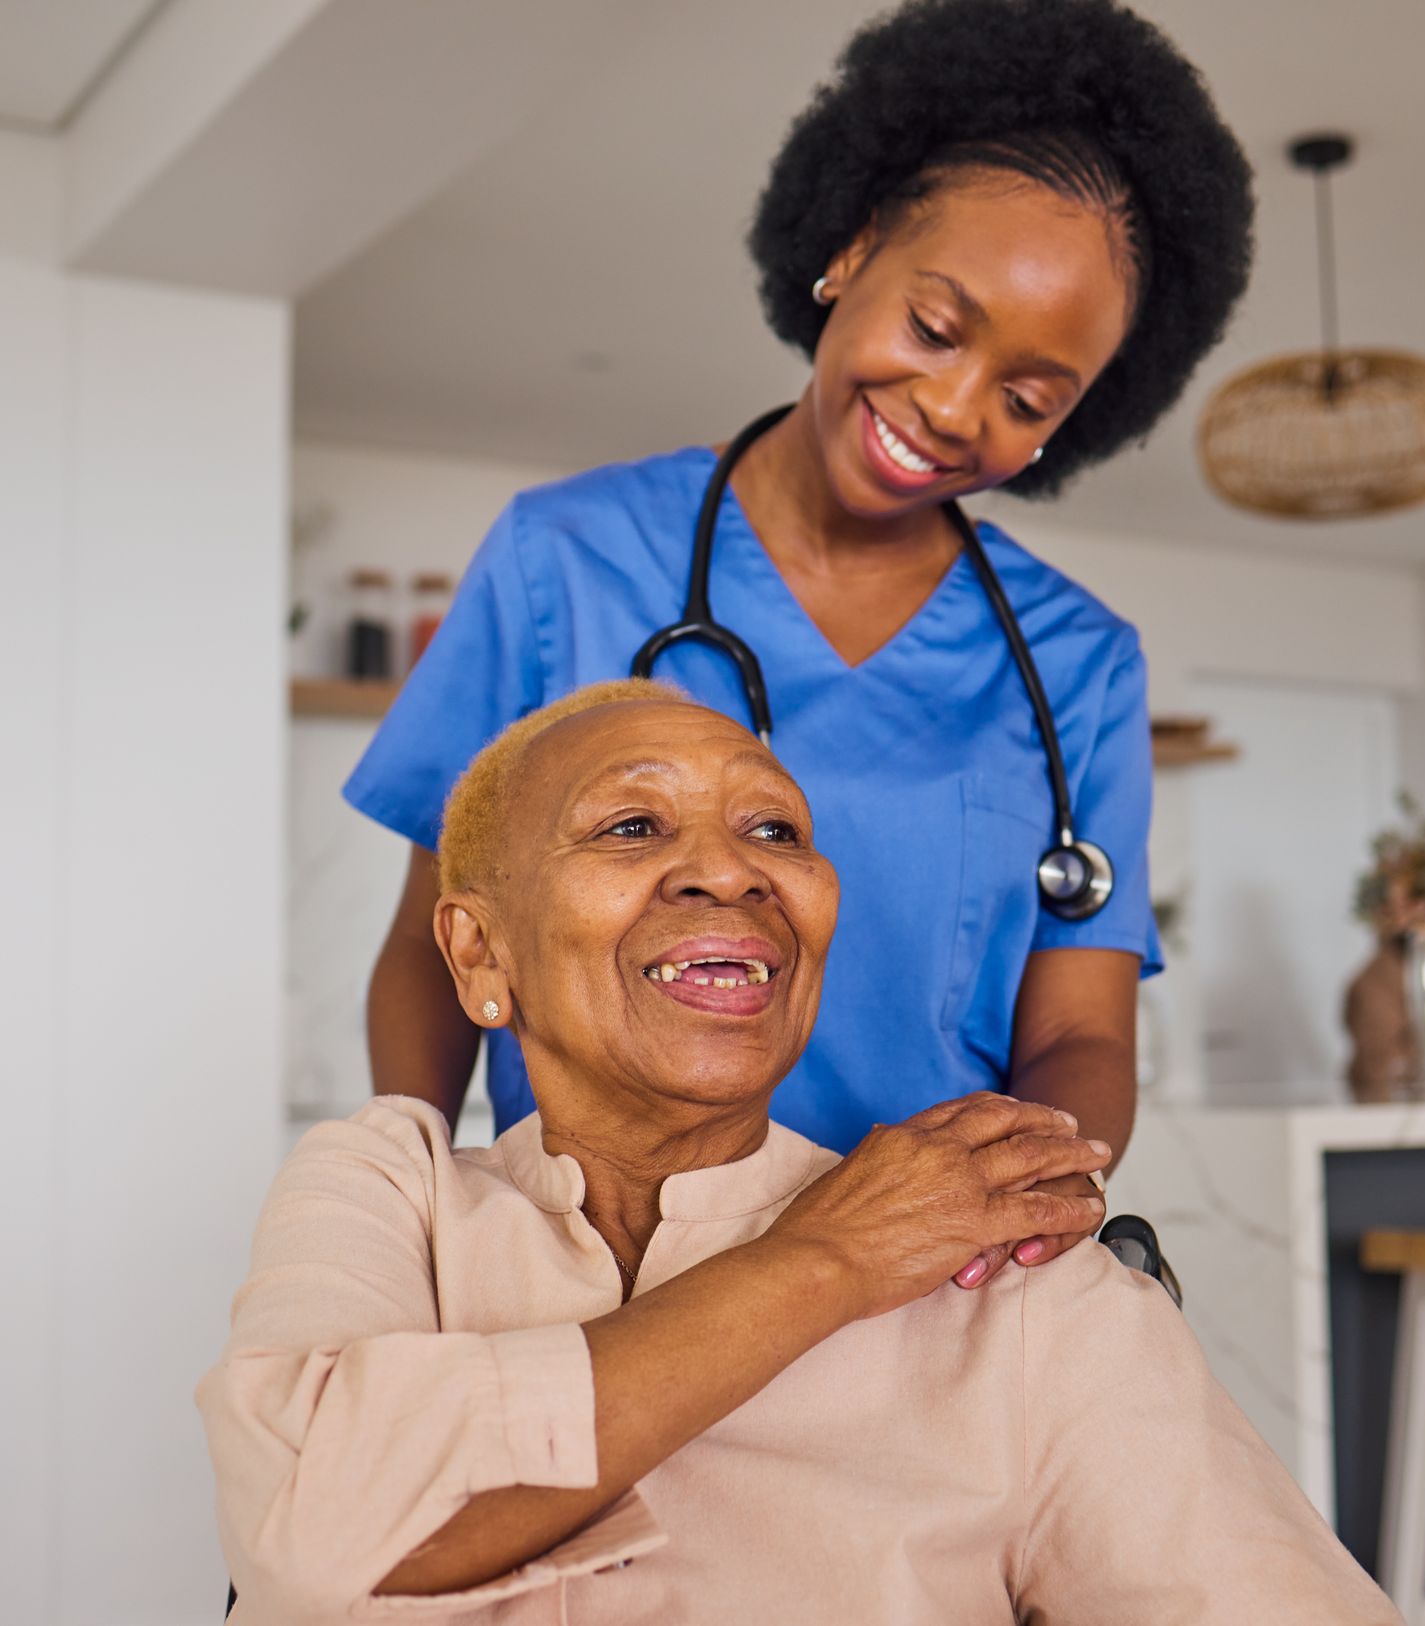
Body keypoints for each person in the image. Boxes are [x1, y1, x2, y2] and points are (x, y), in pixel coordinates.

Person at [346, 0, 1254, 1285]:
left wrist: (1035, 1178)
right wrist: (414, 1217)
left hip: (930, 1281)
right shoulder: (565, 558)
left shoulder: (1080, 662)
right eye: (937, 329)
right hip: (598, 1280)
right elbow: (430, 946)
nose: (951, 409)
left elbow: (1085, 1036)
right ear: (852, 248)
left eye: (1027, 398)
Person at [200, 682, 1397, 1624]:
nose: (733, 870)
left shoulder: (1008, 1287)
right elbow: (322, 1544)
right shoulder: (387, 1192)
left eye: (774, 828)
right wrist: (825, 1262)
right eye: (631, 824)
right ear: (479, 960)